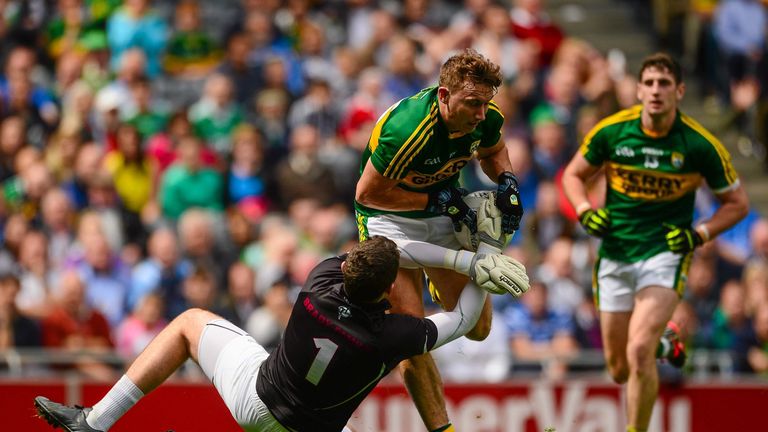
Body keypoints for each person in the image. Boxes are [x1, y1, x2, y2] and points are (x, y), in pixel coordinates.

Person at [34, 207, 529, 431]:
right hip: (311, 430)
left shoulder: (317, 282)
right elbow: (465, 321)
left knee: (188, 323)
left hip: (256, 400)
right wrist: (479, 256)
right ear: (386, 292)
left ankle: (95, 422)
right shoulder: (394, 334)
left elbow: (388, 251)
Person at [561, 52, 749, 432]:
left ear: (679, 91)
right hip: (614, 254)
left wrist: (700, 234)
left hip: (664, 255)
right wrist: (583, 210)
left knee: (637, 350)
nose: (655, 91)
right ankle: (669, 344)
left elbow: (738, 204)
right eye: (649, 83)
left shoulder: (699, 144)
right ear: (637, 89)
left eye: (664, 84)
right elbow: (572, 175)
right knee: (617, 368)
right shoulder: (612, 131)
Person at [354, 47, 523, 431]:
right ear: (444, 96)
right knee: (408, 337)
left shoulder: (485, 117)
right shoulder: (407, 129)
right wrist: (437, 197)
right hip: (387, 219)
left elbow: (494, 152)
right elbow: (367, 194)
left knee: (479, 330)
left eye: (486, 103)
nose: (481, 113)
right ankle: (441, 428)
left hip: (443, 209)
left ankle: (432, 279)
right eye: (472, 103)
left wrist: (508, 180)